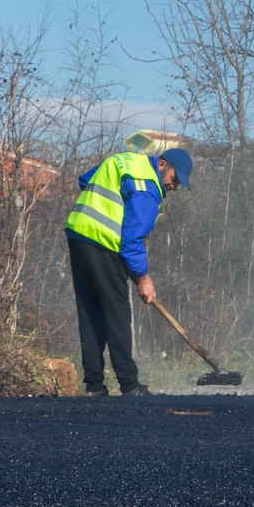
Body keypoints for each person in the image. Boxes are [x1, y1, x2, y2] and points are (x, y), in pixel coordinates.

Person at [63, 136, 192, 396]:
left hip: (78, 234)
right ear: (163, 164)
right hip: (104, 243)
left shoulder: (125, 161)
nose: (174, 187)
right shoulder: (149, 187)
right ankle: (130, 385)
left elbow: (86, 181)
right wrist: (143, 277)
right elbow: (132, 240)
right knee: (118, 313)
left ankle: (94, 385)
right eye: (175, 179)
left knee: (90, 311)